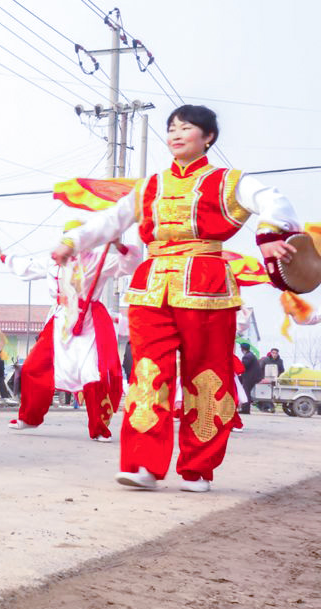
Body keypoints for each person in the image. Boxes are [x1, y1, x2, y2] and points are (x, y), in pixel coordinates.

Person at [53, 104, 301, 493]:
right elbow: (112, 220)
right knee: (149, 373)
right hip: (152, 285)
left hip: (206, 283)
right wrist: (72, 241)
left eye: (186, 127)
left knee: (207, 375)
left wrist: (270, 235)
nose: (176, 133)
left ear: (208, 137)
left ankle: (197, 467)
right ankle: (144, 466)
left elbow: (274, 200)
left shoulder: (227, 181)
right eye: (171, 128)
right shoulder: (151, 186)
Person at [0, 227, 141, 441]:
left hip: (88, 321)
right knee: (33, 368)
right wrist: (3, 257)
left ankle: (99, 427)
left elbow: (130, 264)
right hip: (60, 320)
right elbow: (25, 267)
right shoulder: (53, 261)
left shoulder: (98, 260)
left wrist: (119, 245)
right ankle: (28, 417)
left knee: (93, 374)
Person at [238, 343, 260, 415]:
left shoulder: (247, 356)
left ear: (242, 349)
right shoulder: (250, 355)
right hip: (252, 376)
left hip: (249, 377)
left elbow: (243, 366)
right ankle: (245, 408)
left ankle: (245, 409)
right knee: (247, 392)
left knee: (246, 392)